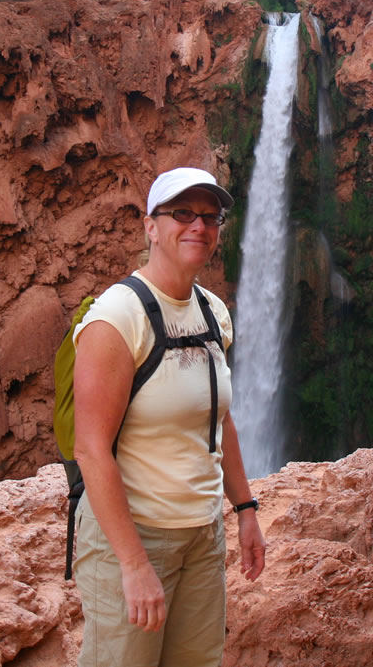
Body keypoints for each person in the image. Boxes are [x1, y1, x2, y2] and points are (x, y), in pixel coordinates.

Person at [72, 166, 266, 667]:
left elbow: (220, 420)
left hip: (202, 535)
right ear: (150, 226)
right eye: (182, 213)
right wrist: (134, 565)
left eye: (209, 216)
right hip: (133, 537)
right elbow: (90, 449)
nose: (198, 226)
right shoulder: (117, 318)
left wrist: (245, 511)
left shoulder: (214, 312)